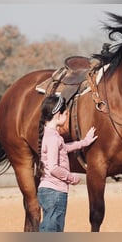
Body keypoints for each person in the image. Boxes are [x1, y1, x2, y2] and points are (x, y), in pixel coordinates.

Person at [37, 95, 97, 232]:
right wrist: (72, 178)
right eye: (66, 114)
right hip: (55, 192)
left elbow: (63, 148)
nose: (67, 117)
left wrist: (84, 142)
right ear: (58, 115)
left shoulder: (50, 135)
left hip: (49, 191)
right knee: (52, 231)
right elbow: (53, 168)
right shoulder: (53, 138)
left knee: (50, 229)